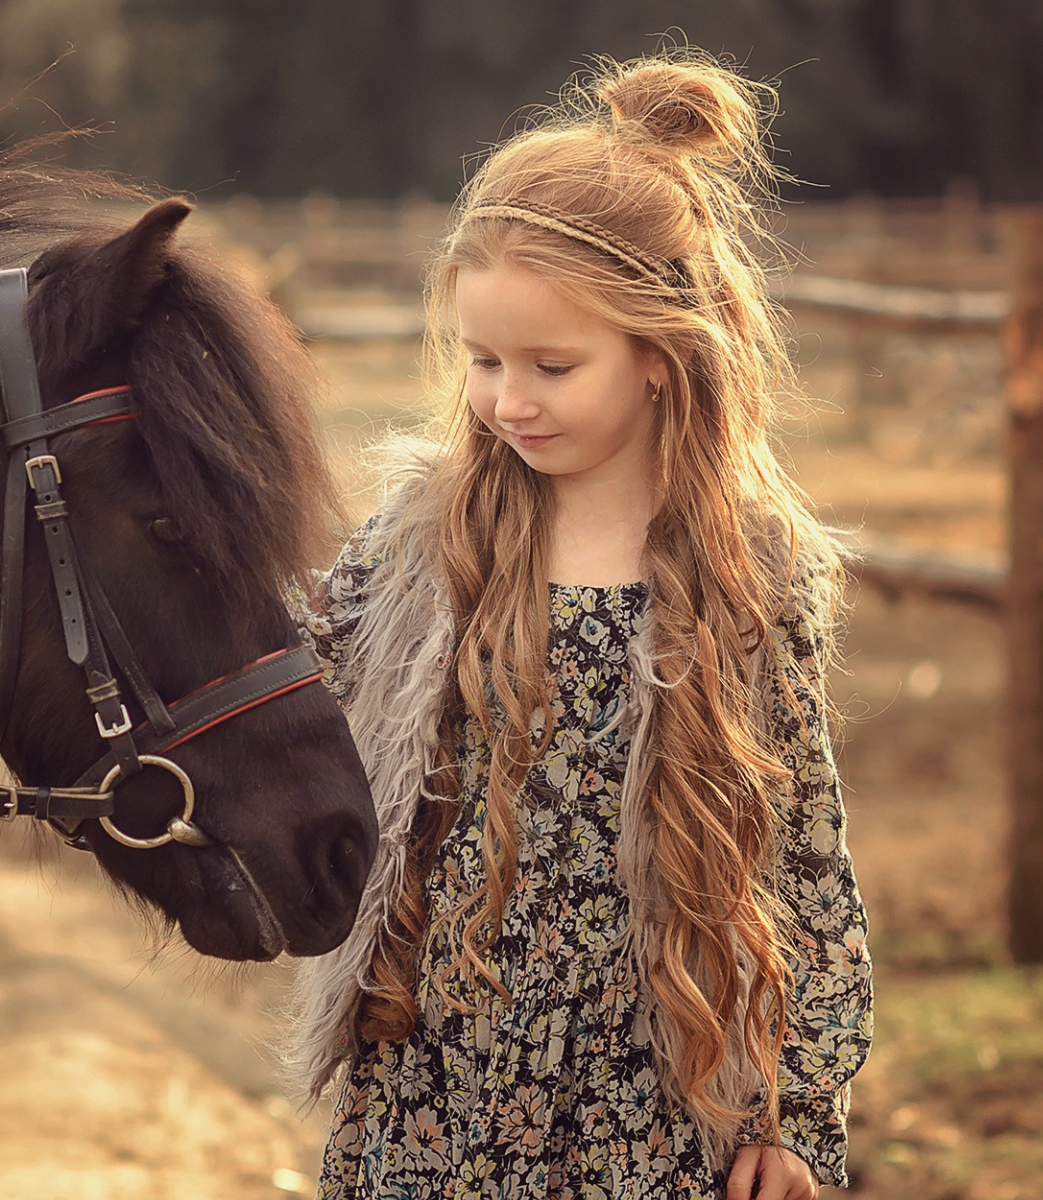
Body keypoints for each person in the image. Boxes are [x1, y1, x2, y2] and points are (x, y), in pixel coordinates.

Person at [282, 52, 873, 1200]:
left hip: (654, 1098)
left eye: (553, 365)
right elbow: (285, 661)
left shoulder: (747, 572)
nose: (510, 400)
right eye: (484, 361)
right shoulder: (431, 536)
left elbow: (805, 849)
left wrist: (795, 1113)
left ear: (660, 354)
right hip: (436, 1084)